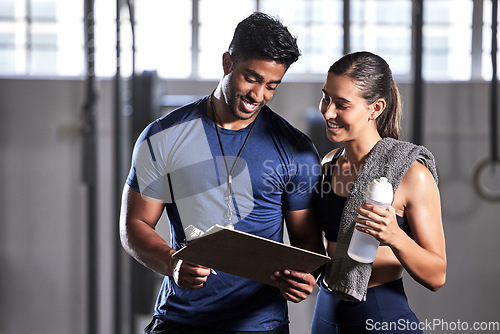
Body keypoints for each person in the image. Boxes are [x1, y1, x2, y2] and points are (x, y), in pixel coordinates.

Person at [120, 12, 325, 334]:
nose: (259, 95)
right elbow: (135, 224)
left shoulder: (295, 150)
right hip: (180, 320)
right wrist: (173, 263)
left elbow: (308, 246)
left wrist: (304, 277)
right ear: (228, 62)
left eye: (272, 85)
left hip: (260, 325)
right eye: (252, 78)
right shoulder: (164, 135)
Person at [311, 51, 447, 333]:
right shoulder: (329, 163)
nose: (327, 112)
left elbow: (437, 275)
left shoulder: (412, 175)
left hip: (379, 315)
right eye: (326, 98)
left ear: (375, 108)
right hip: (325, 312)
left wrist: (394, 235)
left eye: (342, 104)